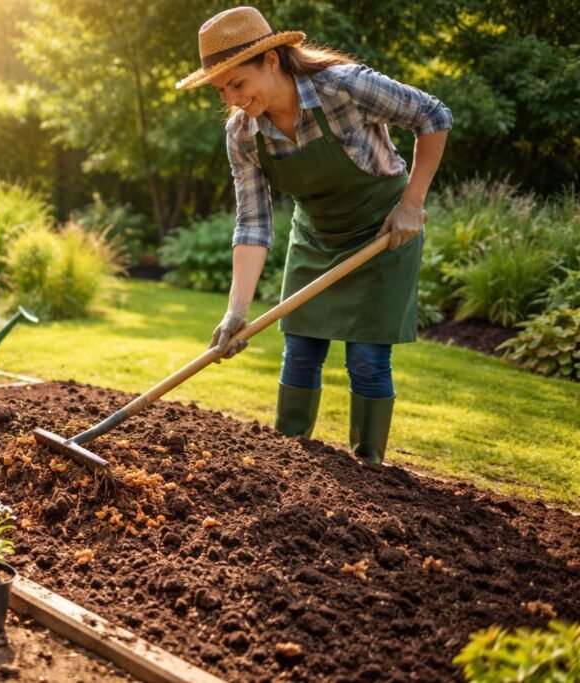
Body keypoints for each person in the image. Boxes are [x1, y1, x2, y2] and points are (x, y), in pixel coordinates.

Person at [177, 7, 451, 464]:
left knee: (366, 358)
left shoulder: (343, 87)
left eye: (238, 84)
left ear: (271, 60)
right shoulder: (243, 134)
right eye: (222, 90)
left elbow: (433, 114)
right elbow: (253, 223)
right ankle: (290, 465)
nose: (232, 98)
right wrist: (236, 311)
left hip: (384, 229)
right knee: (300, 351)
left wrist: (412, 204)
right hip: (318, 234)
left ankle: (370, 472)